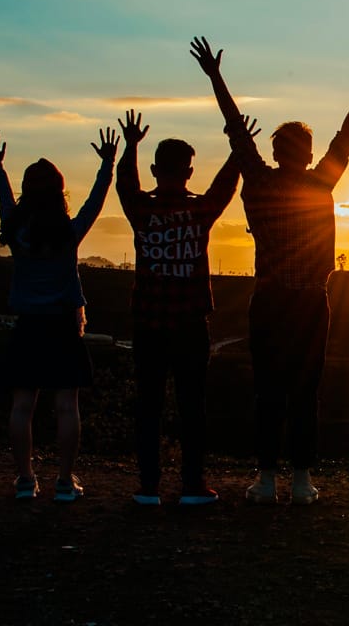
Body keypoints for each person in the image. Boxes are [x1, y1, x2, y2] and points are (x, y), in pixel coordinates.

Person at [190, 35, 349, 505]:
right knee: (305, 391)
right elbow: (348, 132)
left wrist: (215, 77)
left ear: (276, 150)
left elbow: (235, 129)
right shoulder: (321, 181)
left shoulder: (258, 181)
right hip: (308, 303)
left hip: (269, 300)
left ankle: (265, 479)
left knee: (268, 391)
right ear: (306, 153)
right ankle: (301, 480)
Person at [115, 109, 255, 507]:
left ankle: (148, 486)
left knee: (149, 405)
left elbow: (125, 184)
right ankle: (193, 484)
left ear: (156, 169)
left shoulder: (141, 211)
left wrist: (129, 146)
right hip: (191, 324)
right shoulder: (199, 210)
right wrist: (237, 148)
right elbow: (226, 186)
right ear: (189, 172)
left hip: (148, 323)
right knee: (193, 406)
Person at [0, 126, 119, 503]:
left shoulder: (16, 231)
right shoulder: (69, 232)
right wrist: (107, 165)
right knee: (66, 405)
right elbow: (94, 201)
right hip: (63, 326)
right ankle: (64, 480)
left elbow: (4, 197)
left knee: (22, 405)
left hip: (28, 326)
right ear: (60, 193)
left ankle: (25, 479)